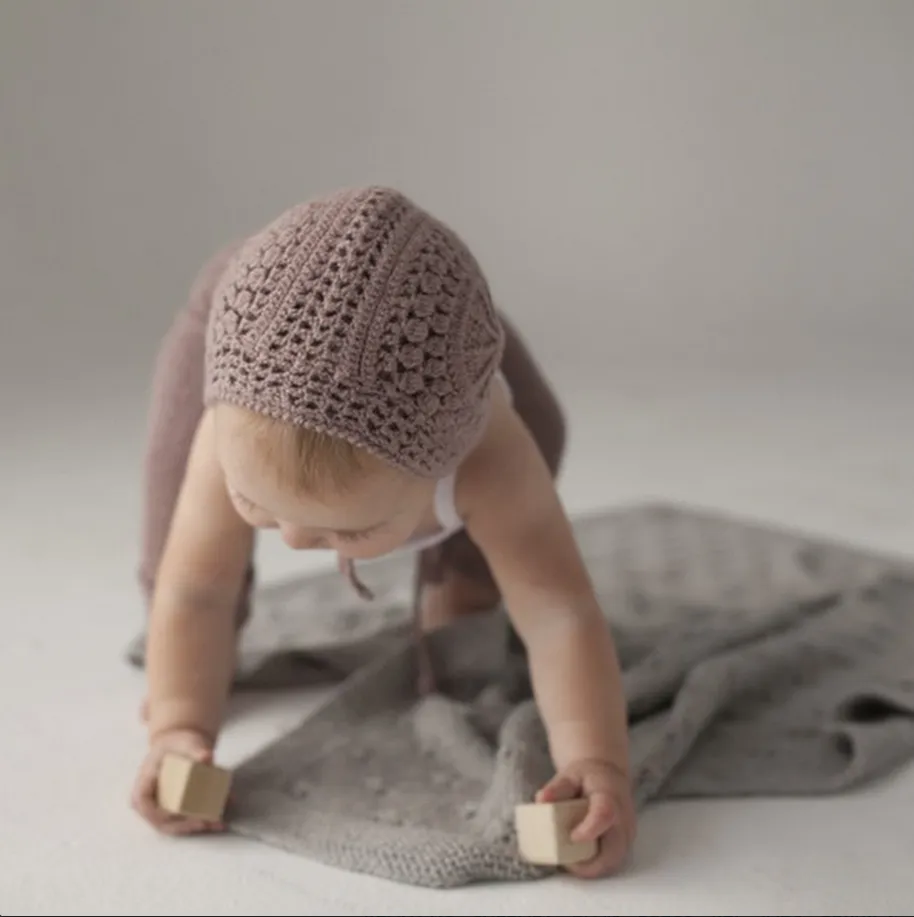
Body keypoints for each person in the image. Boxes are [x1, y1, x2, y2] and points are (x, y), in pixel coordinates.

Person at [130, 186, 635, 877]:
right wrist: (179, 726)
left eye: (350, 528)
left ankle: (462, 572)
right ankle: (187, 663)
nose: (297, 542)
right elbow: (197, 594)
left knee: (537, 460)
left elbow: (559, 611)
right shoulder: (231, 428)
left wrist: (596, 759)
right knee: (175, 538)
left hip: (428, 342)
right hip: (249, 320)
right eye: (261, 506)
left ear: (444, 471)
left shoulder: (491, 456)